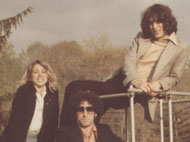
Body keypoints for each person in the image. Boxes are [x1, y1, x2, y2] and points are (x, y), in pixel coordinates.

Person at [60, 3, 189, 126]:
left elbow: (174, 77)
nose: (154, 27)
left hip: (138, 91)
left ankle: (67, 135)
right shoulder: (141, 38)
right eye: (151, 23)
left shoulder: (181, 47)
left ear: (167, 22)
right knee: (76, 90)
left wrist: (159, 84)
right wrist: (137, 80)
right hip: (121, 80)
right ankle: (64, 134)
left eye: (158, 22)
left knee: (92, 100)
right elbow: (128, 63)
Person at [0, 60, 59, 142]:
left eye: (43, 72)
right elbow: (16, 123)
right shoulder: (23, 91)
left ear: (48, 75)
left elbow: (53, 123)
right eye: (35, 72)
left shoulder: (53, 92)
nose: (40, 75)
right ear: (30, 75)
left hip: (41, 138)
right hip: (21, 137)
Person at [56, 90, 124, 142]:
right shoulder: (65, 133)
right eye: (81, 109)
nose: (85, 114)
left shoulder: (104, 130)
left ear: (95, 113)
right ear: (75, 113)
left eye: (89, 110)